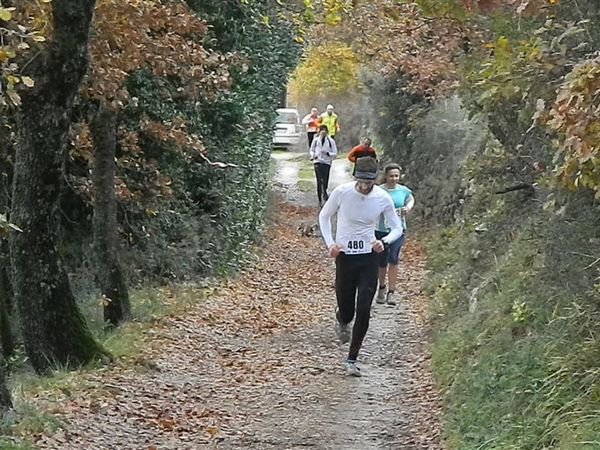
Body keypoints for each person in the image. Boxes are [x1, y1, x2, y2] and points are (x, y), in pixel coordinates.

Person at [318, 157, 403, 377]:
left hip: (368, 258)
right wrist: (330, 244)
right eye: (361, 181)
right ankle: (342, 318)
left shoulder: (382, 197)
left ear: (375, 179)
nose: (365, 186)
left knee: (364, 308)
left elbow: (397, 228)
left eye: (369, 182)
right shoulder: (342, 192)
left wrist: (382, 242)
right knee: (348, 310)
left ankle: (351, 359)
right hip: (345, 257)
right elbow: (324, 216)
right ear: (356, 177)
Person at [375, 163, 415, 306]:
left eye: (396, 176)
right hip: (380, 230)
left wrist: (407, 208)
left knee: (393, 259)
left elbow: (410, 199)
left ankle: (391, 292)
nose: (394, 179)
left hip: (398, 229)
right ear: (385, 176)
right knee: (381, 262)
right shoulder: (378, 190)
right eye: (391, 176)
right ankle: (381, 287)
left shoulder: (403, 190)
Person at [309, 124, 337, 207]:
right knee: (318, 180)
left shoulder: (331, 141)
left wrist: (328, 153)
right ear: (319, 131)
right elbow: (311, 150)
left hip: (326, 162)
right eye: (321, 130)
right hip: (317, 161)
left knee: (325, 179)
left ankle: (324, 191)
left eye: (325, 130)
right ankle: (319, 199)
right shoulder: (316, 140)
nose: (323, 132)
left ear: (327, 132)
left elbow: (335, 153)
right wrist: (313, 155)